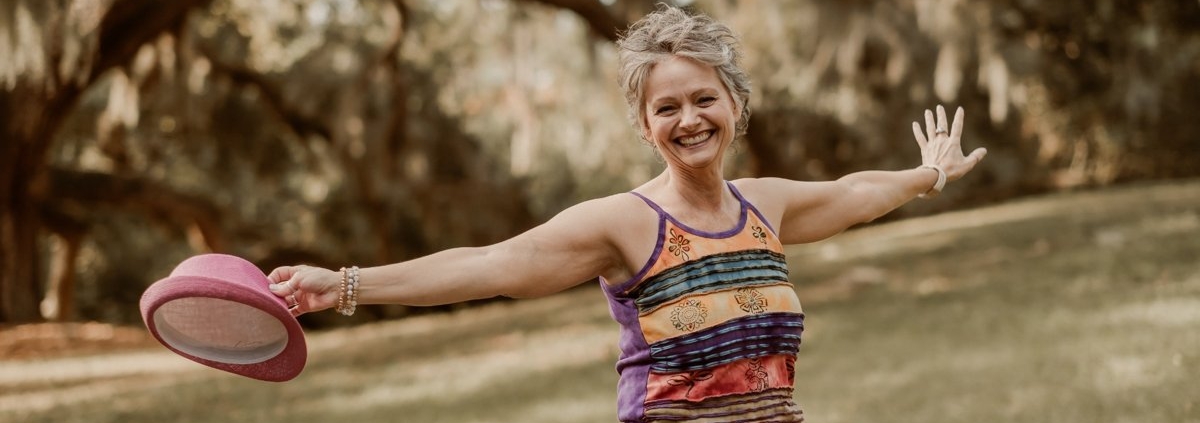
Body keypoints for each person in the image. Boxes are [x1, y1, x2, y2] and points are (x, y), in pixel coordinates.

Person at [267, 5, 986, 422]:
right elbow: (490, 265)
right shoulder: (625, 224)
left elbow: (856, 193)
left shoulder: (763, 205)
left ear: (735, 105)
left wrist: (929, 175)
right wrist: (346, 284)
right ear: (645, 127)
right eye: (666, 107)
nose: (690, 119)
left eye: (704, 98)